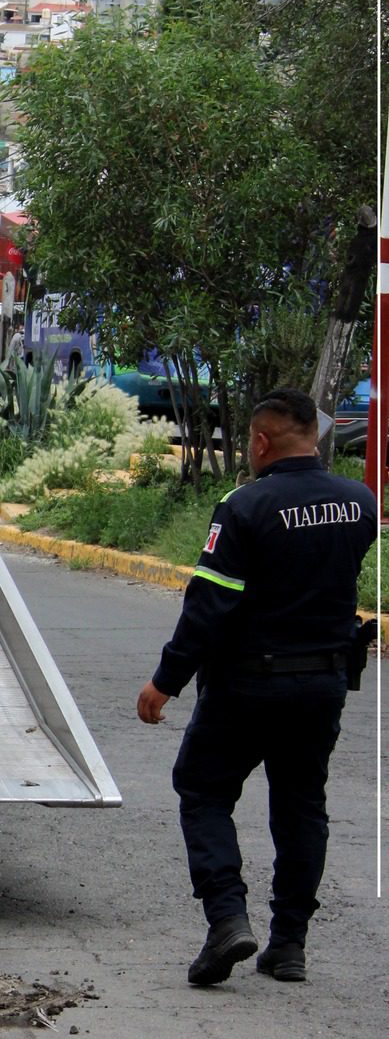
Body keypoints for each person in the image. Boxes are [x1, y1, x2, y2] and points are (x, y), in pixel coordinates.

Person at [137, 387, 378, 988]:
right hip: (323, 683)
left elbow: (209, 605)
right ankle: (289, 944)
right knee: (301, 806)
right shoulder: (359, 501)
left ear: (262, 441)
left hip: (248, 684)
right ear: (313, 436)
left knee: (203, 789)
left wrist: (166, 681)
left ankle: (227, 920)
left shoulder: (245, 505)